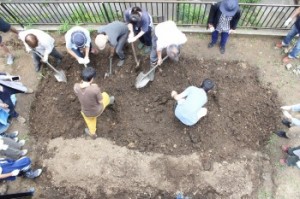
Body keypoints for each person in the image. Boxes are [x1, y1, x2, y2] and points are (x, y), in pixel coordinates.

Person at [74, 67, 115, 139]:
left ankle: (93, 134)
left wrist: (89, 85)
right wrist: (93, 86)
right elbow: (100, 101)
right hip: (97, 111)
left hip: (86, 113)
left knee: (90, 122)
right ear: (92, 79)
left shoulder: (76, 87)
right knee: (105, 95)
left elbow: (81, 87)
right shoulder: (95, 89)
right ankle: (110, 101)